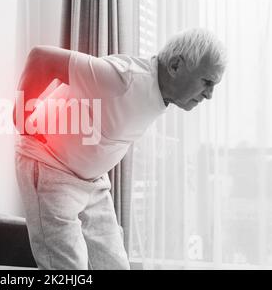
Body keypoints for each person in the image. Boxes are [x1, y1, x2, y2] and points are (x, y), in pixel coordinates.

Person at [14, 28, 227, 270]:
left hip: (93, 182)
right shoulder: (123, 78)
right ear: (175, 66)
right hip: (50, 167)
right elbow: (40, 58)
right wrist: (21, 118)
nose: (209, 95)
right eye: (207, 82)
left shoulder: (159, 91)